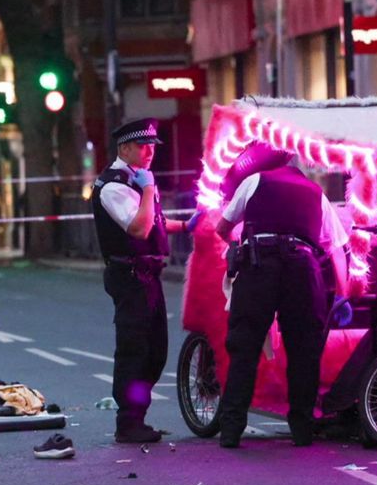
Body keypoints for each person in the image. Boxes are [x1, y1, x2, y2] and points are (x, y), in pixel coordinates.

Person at [215, 142, 350, 448]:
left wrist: (239, 240)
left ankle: (231, 429)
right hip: (302, 268)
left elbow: (222, 226)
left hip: (259, 265)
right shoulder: (317, 194)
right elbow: (337, 250)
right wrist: (342, 295)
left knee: (245, 346)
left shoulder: (254, 181)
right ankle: (302, 430)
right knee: (304, 351)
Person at [91, 118, 202, 443]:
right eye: (143, 146)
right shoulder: (113, 186)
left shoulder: (133, 180)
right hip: (129, 275)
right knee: (134, 350)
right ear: (124, 148)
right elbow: (138, 228)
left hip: (146, 274)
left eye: (152, 146)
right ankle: (129, 422)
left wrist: (185, 226)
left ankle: (137, 414)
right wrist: (150, 187)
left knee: (156, 352)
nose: (149, 152)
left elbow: (152, 222)